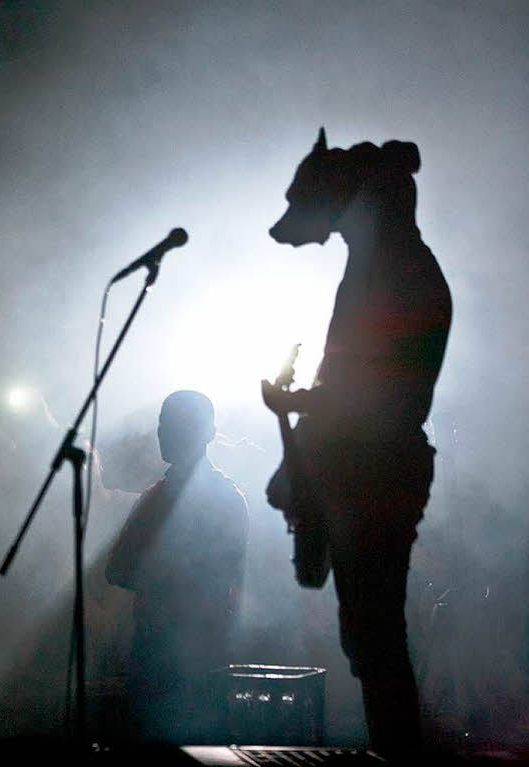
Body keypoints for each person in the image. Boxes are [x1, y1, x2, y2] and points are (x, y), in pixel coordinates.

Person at [263, 130, 451, 756]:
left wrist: (295, 404)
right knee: (369, 637)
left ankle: (398, 754)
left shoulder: (394, 274)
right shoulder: (386, 266)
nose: (293, 229)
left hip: (377, 473)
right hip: (373, 470)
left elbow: (374, 398)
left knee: (374, 637)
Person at [106, 390, 248, 744]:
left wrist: (160, 577)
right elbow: (116, 569)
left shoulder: (213, 499)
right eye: (161, 424)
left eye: (174, 425)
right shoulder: (166, 496)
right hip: (166, 651)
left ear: (205, 433)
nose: (162, 433)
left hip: (194, 654)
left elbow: (120, 569)